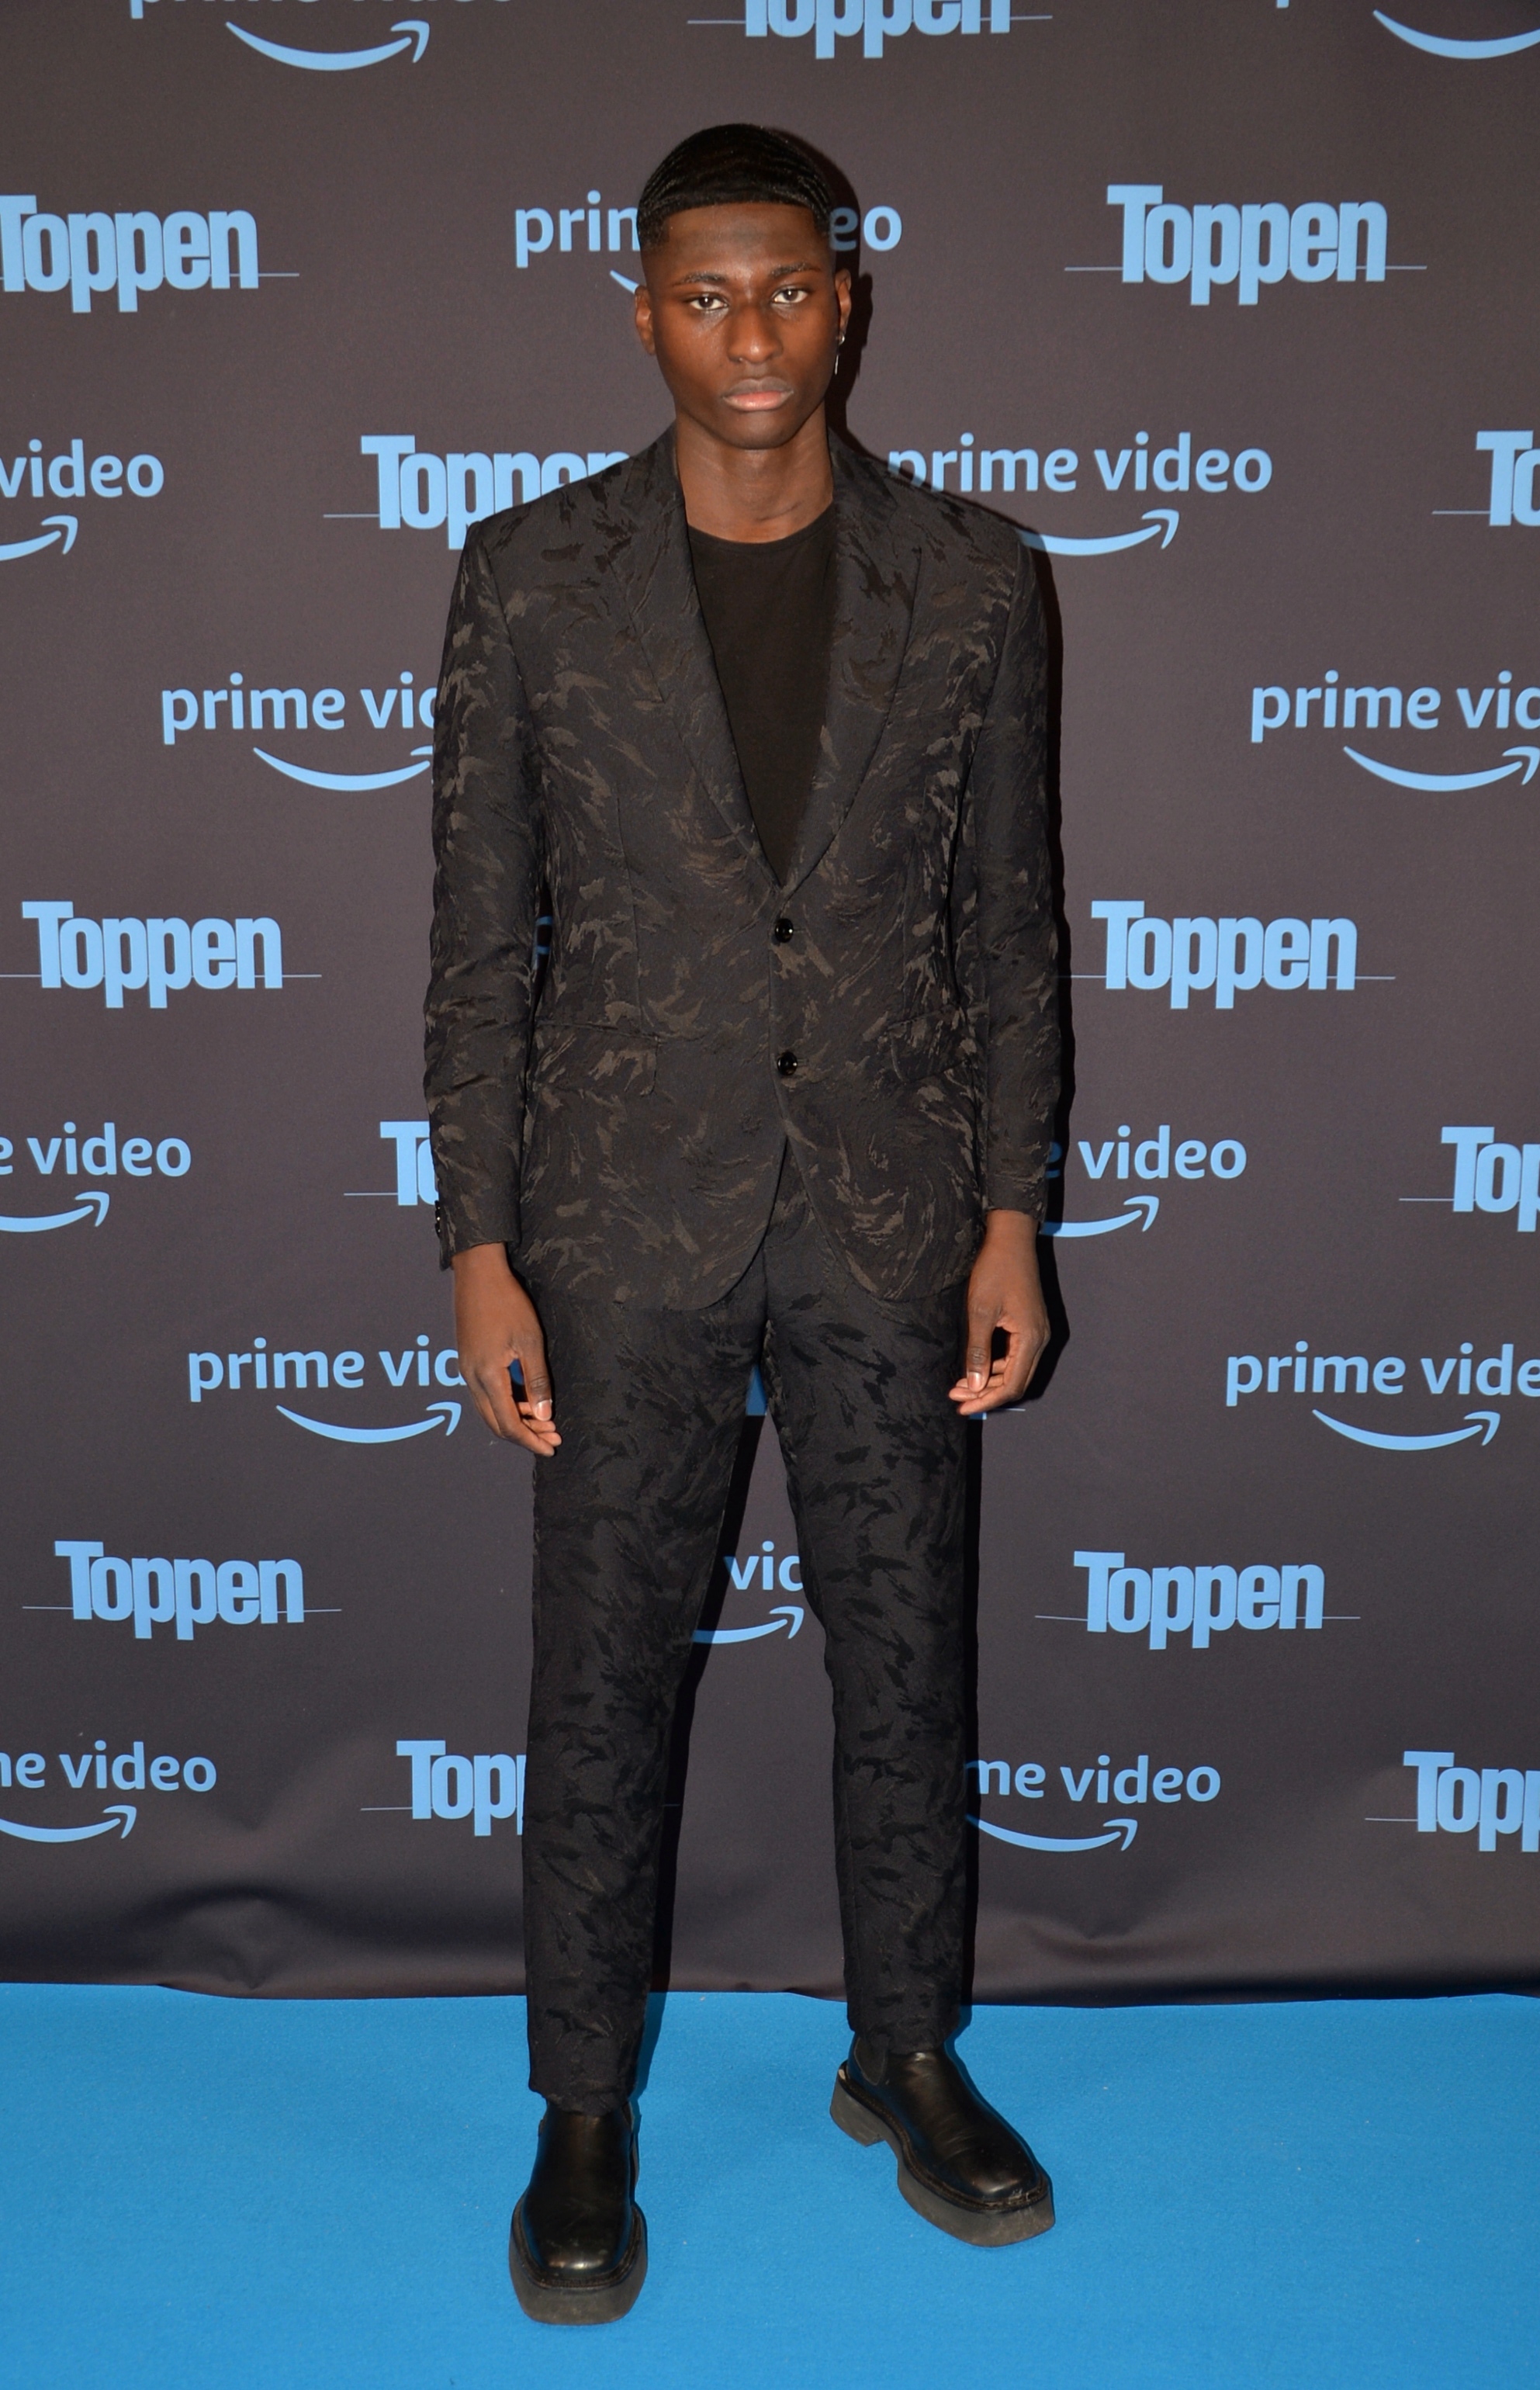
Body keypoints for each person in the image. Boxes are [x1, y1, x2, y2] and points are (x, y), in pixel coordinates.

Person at [424, 123, 1060, 2325]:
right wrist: (478, 1246)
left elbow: (1012, 929)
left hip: (892, 1211)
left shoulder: (974, 578)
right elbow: (477, 947)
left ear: (845, 301)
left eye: (786, 288)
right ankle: (583, 2109)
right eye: (704, 296)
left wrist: (1012, 1213)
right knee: (600, 1682)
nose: (751, 333)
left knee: (907, 1659)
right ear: (643, 315)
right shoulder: (529, 576)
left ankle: (908, 2057)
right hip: (618, 1223)